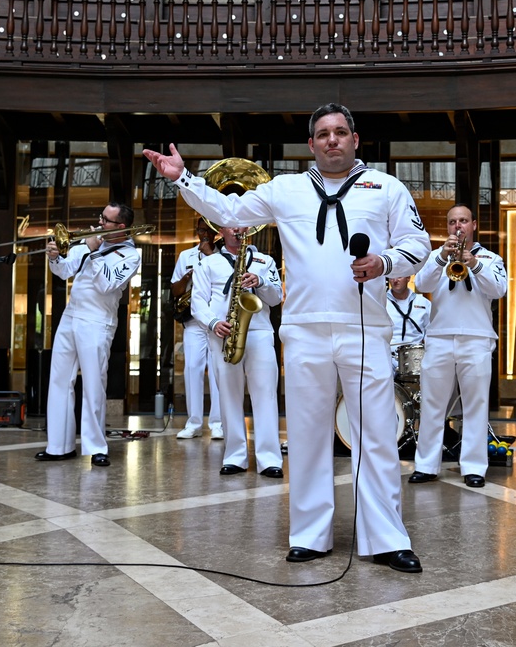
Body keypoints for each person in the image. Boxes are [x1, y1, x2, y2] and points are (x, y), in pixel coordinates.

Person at [144, 103, 431, 573]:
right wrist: (183, 178)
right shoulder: (287, 188)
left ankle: (385, 537)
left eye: (341, 132)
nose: (332, 140)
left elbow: (418, 244)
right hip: (303, 331)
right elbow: (230, 210)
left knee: (376, 435)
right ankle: (310, 536)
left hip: (366, 329)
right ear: (311, 144)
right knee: (307, 434)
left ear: (356, 140)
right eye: (323, 134)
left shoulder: (388, 188)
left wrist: (386, 263)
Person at [35, 202, 142, 468]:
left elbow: (107, 284)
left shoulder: (131, 255)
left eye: (105, 220)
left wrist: (93, 251)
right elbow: (64, 271)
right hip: (71, 315)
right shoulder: (90, 241)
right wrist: (54, 258)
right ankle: (58, 446)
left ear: (121, 227)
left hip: (97, 321)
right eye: (101, 218)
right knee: (59, 380)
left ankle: (96, 447)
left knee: (94, 385)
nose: (99, 223)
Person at [409, 205, 507, 487]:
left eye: (463, 221)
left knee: (476, 406)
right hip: (440, 338)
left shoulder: (489, 258)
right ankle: (426, 465)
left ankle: (474, 467)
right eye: (452, 222)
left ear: (473, 225)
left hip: (476, 339)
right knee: (432, 405)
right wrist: (442, 257)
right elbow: (422, 284)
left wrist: (472, 263)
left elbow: (498, 290)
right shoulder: (435, 257)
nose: (458, 226)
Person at [191, 226, 284, 477]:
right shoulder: (208, 263)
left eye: (242, 225)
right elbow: (197, 302)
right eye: (231, 226)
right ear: (221, 229)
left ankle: (269, 460)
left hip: (260, 333)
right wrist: (213, 323)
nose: (237, 230)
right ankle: (235, 456)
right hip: (223, 335)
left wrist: (261, 281)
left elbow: (276, 298)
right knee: (228, 397)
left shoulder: (266, 260)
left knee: (266, 395)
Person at [171, 217, 224, 440]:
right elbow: (175, 289)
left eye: (208, 230)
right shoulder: (186, 256)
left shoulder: (224, 256)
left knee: (217, 371)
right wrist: (187, 277)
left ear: (216, 232)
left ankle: (218, 423)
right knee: (192, 368)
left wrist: (211, 255)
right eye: (201, 229)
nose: (204, 234)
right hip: (193, 320)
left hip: (217, 321)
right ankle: (193, 423)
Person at [387, 275, 430, 374]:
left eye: (399, 276)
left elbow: (430, 332)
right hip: (389, 356)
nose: (395, 280)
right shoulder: (382, 303)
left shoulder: (423, 302)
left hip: (416, 356)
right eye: (392, 277)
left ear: (408, 278)